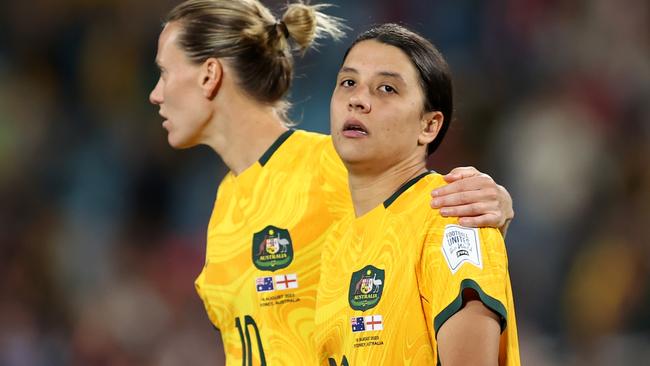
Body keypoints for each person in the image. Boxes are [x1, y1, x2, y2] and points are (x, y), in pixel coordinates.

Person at [149, 0, 514, 364]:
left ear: (210, 74)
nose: (155, 94)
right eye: (348, 83)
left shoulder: (335, 166)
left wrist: (493, 204)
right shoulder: (224, 206)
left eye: (165, 73)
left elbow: (426, 214)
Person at [314, 24, 519, 365]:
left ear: (429, 126)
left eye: (387, 88)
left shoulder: (453, 217)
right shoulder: (338, 240)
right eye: (348, 82)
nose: (358, 99)